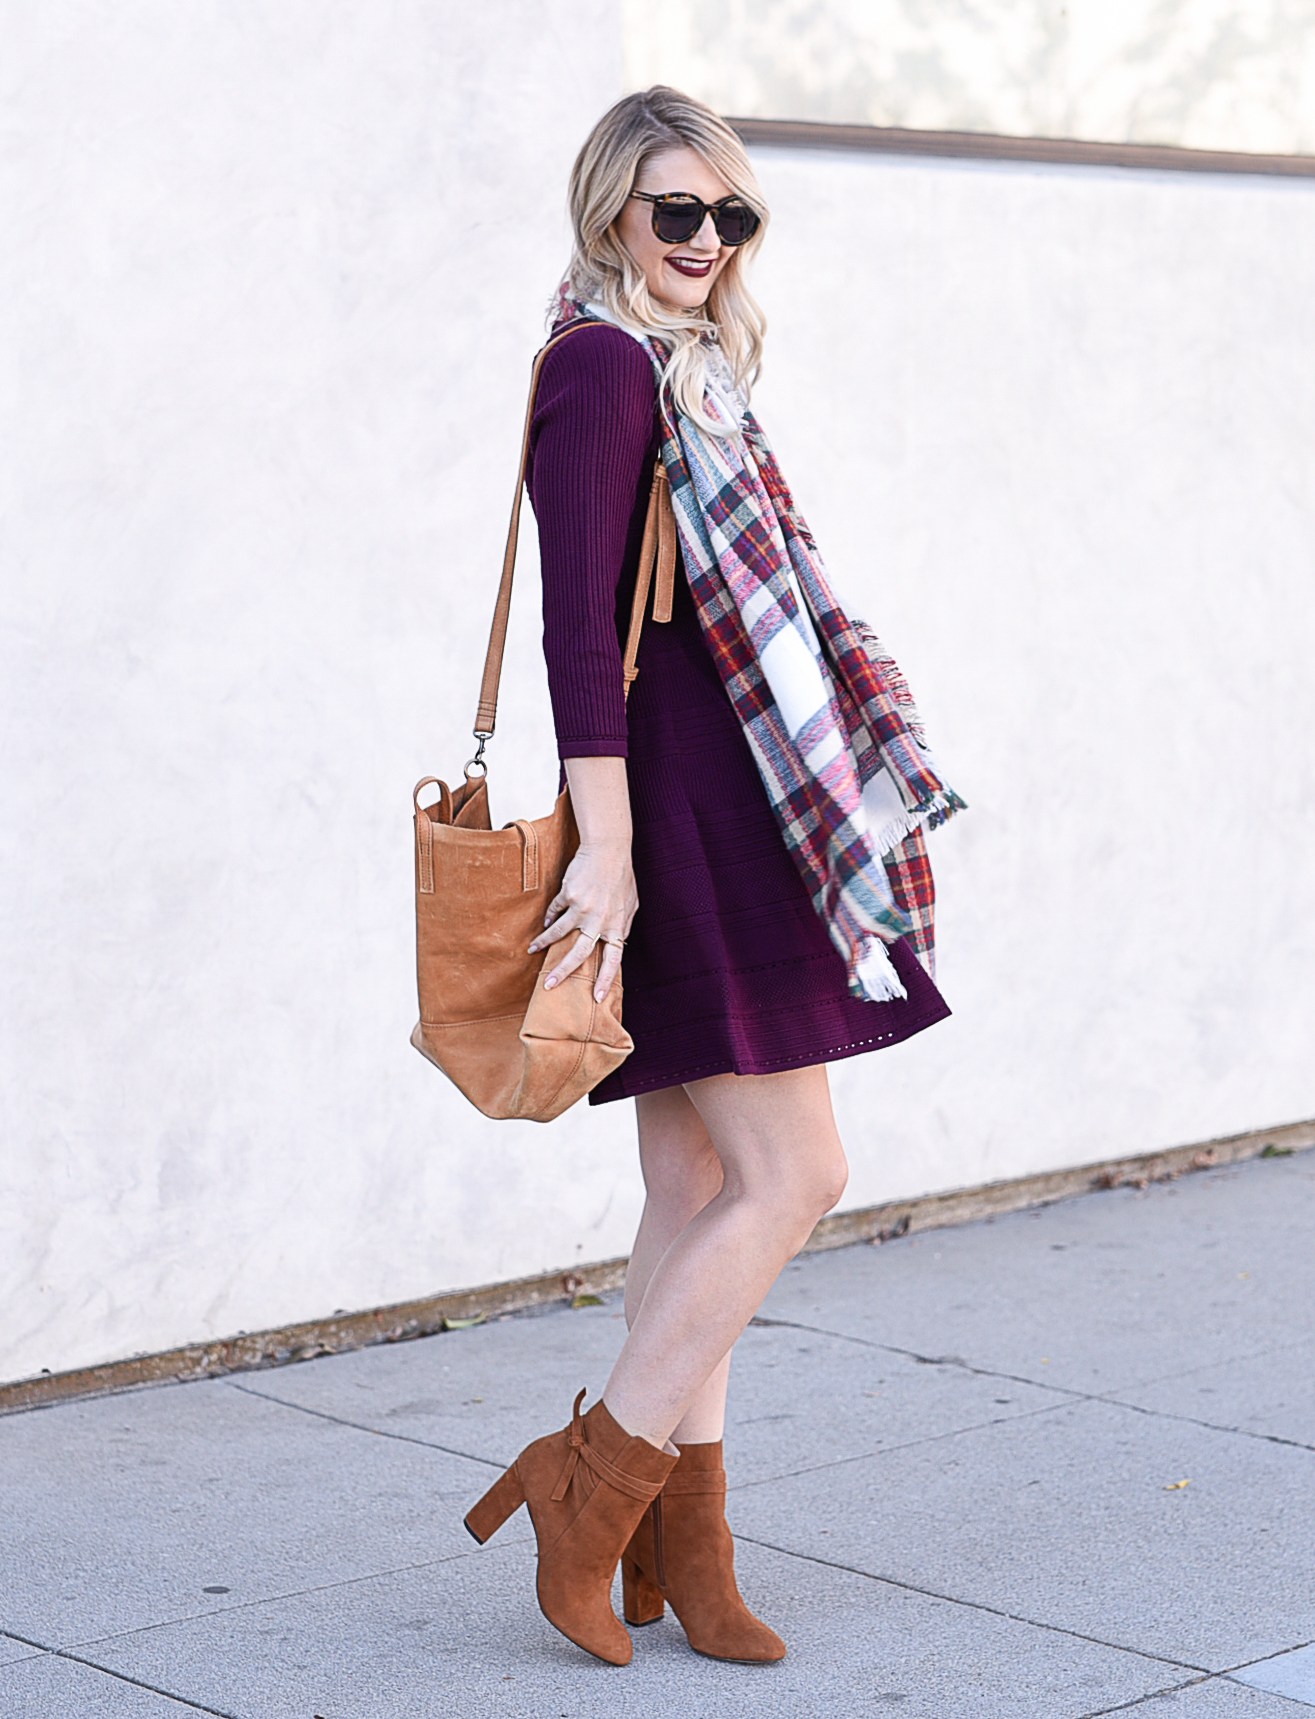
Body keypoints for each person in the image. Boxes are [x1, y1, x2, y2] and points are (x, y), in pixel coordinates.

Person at [463, 85, 961, 1667]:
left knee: (695, 1184)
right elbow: (573, 634)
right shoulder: (601, 368)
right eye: (675, 212)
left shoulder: (700, 381)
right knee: (794, 1173)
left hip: (732, 799)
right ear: (612, 210)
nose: (703, 242)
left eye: (728, 216)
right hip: (673, 813)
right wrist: (604, 851)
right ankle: (588, 1484)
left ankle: (691, 1548)